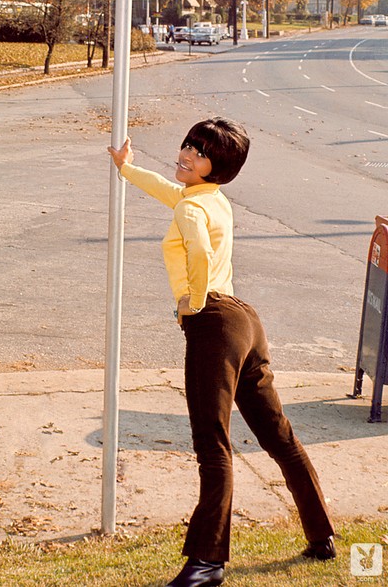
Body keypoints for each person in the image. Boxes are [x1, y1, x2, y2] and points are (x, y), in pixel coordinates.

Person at [107, 118, 335, 587]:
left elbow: (198, 257)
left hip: (213, 323)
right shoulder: (209, 199)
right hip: (244, 319)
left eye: (201, 151)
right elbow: (169, 190)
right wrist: (127, 169)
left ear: (219, 166)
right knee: (279, 437)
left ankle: (207, 563)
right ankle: (322, 536)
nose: (187, 153)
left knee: (212, 446)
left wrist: (189, 306)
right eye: (188, 144)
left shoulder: (194, 209)